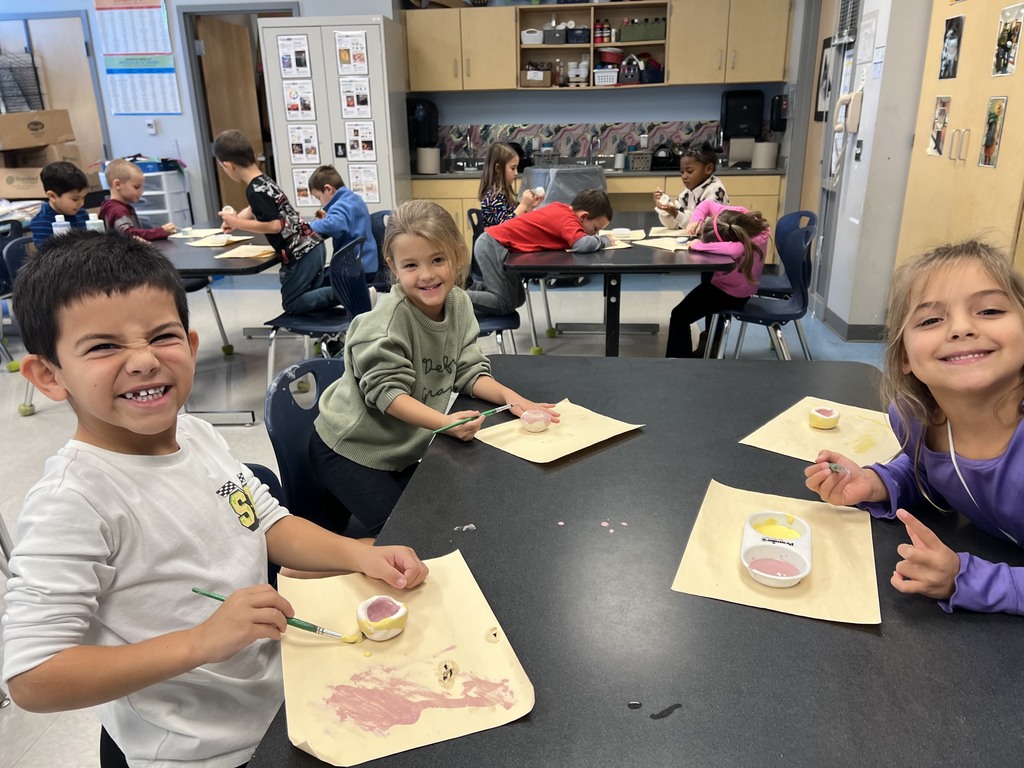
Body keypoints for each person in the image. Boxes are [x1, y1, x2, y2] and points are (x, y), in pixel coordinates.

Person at [0, 230, 428, 768]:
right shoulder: (73, 501)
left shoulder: (196, 434)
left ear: (190, 344)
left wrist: (358, 556)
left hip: (282, 699)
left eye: (162, 336)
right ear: (48, 375)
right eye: (104, 346)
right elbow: (33, 678)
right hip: (203, 750)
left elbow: (267, 523)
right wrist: (201, 641)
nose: (143, 360)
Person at [309, 200, 559, 536]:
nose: (427, 275)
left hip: (398, 448)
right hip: (350, 450)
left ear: (457, 255)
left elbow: (467, 369)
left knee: (448, 518)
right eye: (411, 265)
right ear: (393, 266)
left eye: (437, 260)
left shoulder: (458, 303)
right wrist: (445, 425)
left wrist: (512, 398)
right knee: (410, 536)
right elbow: (388, 395)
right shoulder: (388, 323)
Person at [805, 239, 1024, 616]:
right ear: (904, 355)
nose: (961, 328)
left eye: (989, 310)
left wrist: (967, 580)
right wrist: (877, 483)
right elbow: (935, 470)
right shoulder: (913, 418)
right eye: (931, 320)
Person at [213, 129, 336, 314]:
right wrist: (236, 219)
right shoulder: (263, 180)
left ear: (228, 165)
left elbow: (275, 225)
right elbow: (256, 208)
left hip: (300, 253)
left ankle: (350, 293)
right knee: (309, 297)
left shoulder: (254, 190)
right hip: (312, 245)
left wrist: (237, 224)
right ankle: (347, 296)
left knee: (292, 303)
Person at [468, 188, 613, 316]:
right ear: (583, 216)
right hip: (492, 245)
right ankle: (459, 297)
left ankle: (473, 288)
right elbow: (581, 244)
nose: (595, 234)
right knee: (505, 303)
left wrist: (596, 238)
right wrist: (604, 240)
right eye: (595, 229)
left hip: (498, 245)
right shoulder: (567, 218)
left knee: (518, 299)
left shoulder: (563, 211)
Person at [664, 199, 770, 358]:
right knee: (707, 277)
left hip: (732, 294)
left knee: (679, 316)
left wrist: (699, 245)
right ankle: (710, 345)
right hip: (732, 286)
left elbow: (734, 250)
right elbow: (706, 204)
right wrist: (696, 220)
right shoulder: (740, 217)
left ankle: (679, 364)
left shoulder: (752, 240)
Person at [308, 164, 378, 280]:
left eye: (318, 197)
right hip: (367, 264)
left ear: (328, 189)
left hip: (354, 269)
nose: (320, 203)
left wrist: (308, 226)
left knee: (317, 282)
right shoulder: (353, 199)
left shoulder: (340, 204)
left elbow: (334, 225)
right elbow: (345, 222)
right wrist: (327, 218)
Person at [651, 142, 729, 231]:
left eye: (690, 171)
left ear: (708, 169)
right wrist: (666, 210)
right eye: (682, 172)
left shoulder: (714, 191)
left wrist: (676, 213)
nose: (684, 176)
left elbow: (703, 228)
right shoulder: (688, 193)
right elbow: (674, 225)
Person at [99, 159, 179, 241]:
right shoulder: (117, 210)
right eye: (136, 187)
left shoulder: (113, 207)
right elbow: (128, 234)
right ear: (117, 185)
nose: (141, 192)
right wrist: (160, 232)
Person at [477, 142, 543, 228]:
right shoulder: (495, 195)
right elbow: (505, 225)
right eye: (513, 168)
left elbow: (515, 216)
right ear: (498, 168)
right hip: (495, 237)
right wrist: (523, 205)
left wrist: (529, 207)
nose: (516, 173)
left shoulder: (502, 193)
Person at [28, 161, 90, 247]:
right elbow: (45, 253)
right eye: (75, 199)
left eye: (83, 198)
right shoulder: (42, 223)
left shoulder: (81, 214)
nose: (82, 203)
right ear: (53, 196)